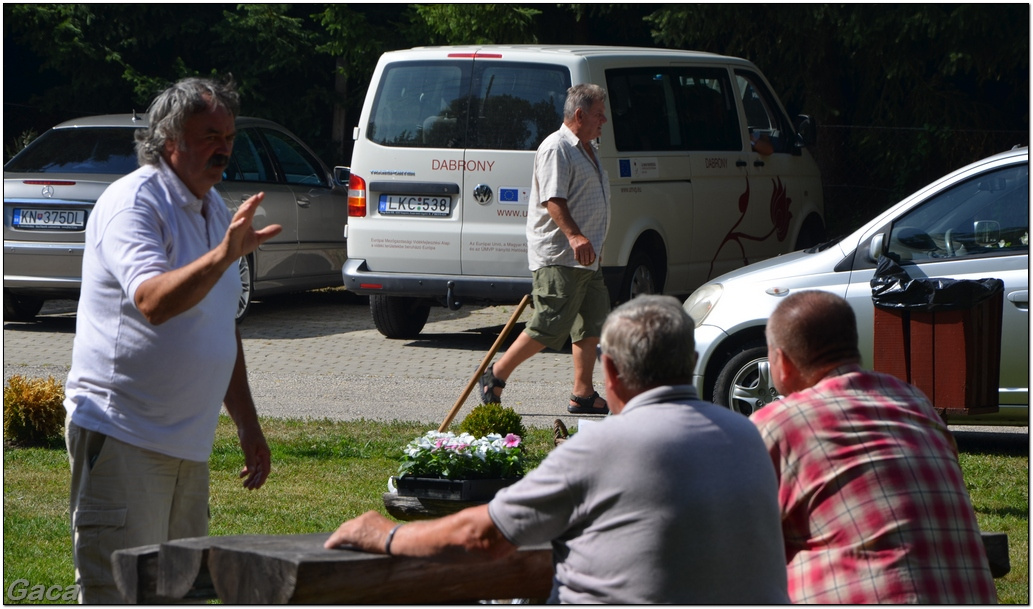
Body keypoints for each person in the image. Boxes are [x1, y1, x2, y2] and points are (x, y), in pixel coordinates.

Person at [327, 295, 790, 604]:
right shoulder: (747, 435)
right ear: (691, 362)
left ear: (608, 370)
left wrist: (384, 535)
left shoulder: (602, 446)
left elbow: (483, 536)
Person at [64, 77, 280, 603]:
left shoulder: (212, 210)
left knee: (180, 595)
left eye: (228, 136)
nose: (224, 147)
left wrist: (248, 423)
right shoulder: (134, 204)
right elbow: (153, 302)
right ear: (168, 141)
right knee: (120, 593)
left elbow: (221, 326)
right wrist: (223, 256)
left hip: (189, 446)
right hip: (124, 436)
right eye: (209, 135)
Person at [751, 290, 998, 604]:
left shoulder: (775, 424)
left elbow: (737, 547)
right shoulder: (916, 403)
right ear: (852, 348)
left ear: (782, 363)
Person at [480, 83, 612, 415]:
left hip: (588, 257)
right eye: (599, 114)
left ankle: (582, 394)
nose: (604, 120)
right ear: (579, 115)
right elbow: (553, 200)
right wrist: (575, 236)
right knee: (551, 322)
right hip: (561, 255)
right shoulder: (557, 147)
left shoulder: (586, 147)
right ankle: (495, 375)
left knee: (592, 321)